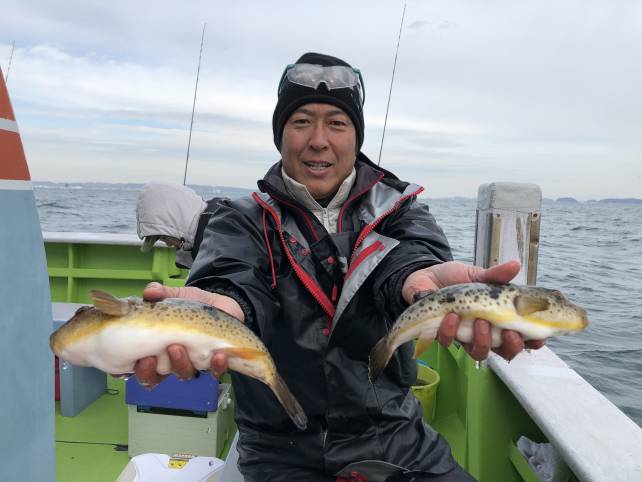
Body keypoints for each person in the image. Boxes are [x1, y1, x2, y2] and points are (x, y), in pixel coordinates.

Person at [135, 53, 544, 482]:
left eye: (336, 123)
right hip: (278, 450)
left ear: (356, 137)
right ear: (280, 135)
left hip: (396, 437)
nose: (318, 140)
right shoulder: (241, 219)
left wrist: (419, 280)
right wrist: (222, 307)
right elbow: (232, 275)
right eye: (301, 122)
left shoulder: (401, 210)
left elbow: (410, 257)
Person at [135, 182, 222, 268]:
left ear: (179, 222)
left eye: (164, 238)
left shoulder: (214, 233)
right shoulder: (214, 217)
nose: (168, 244)